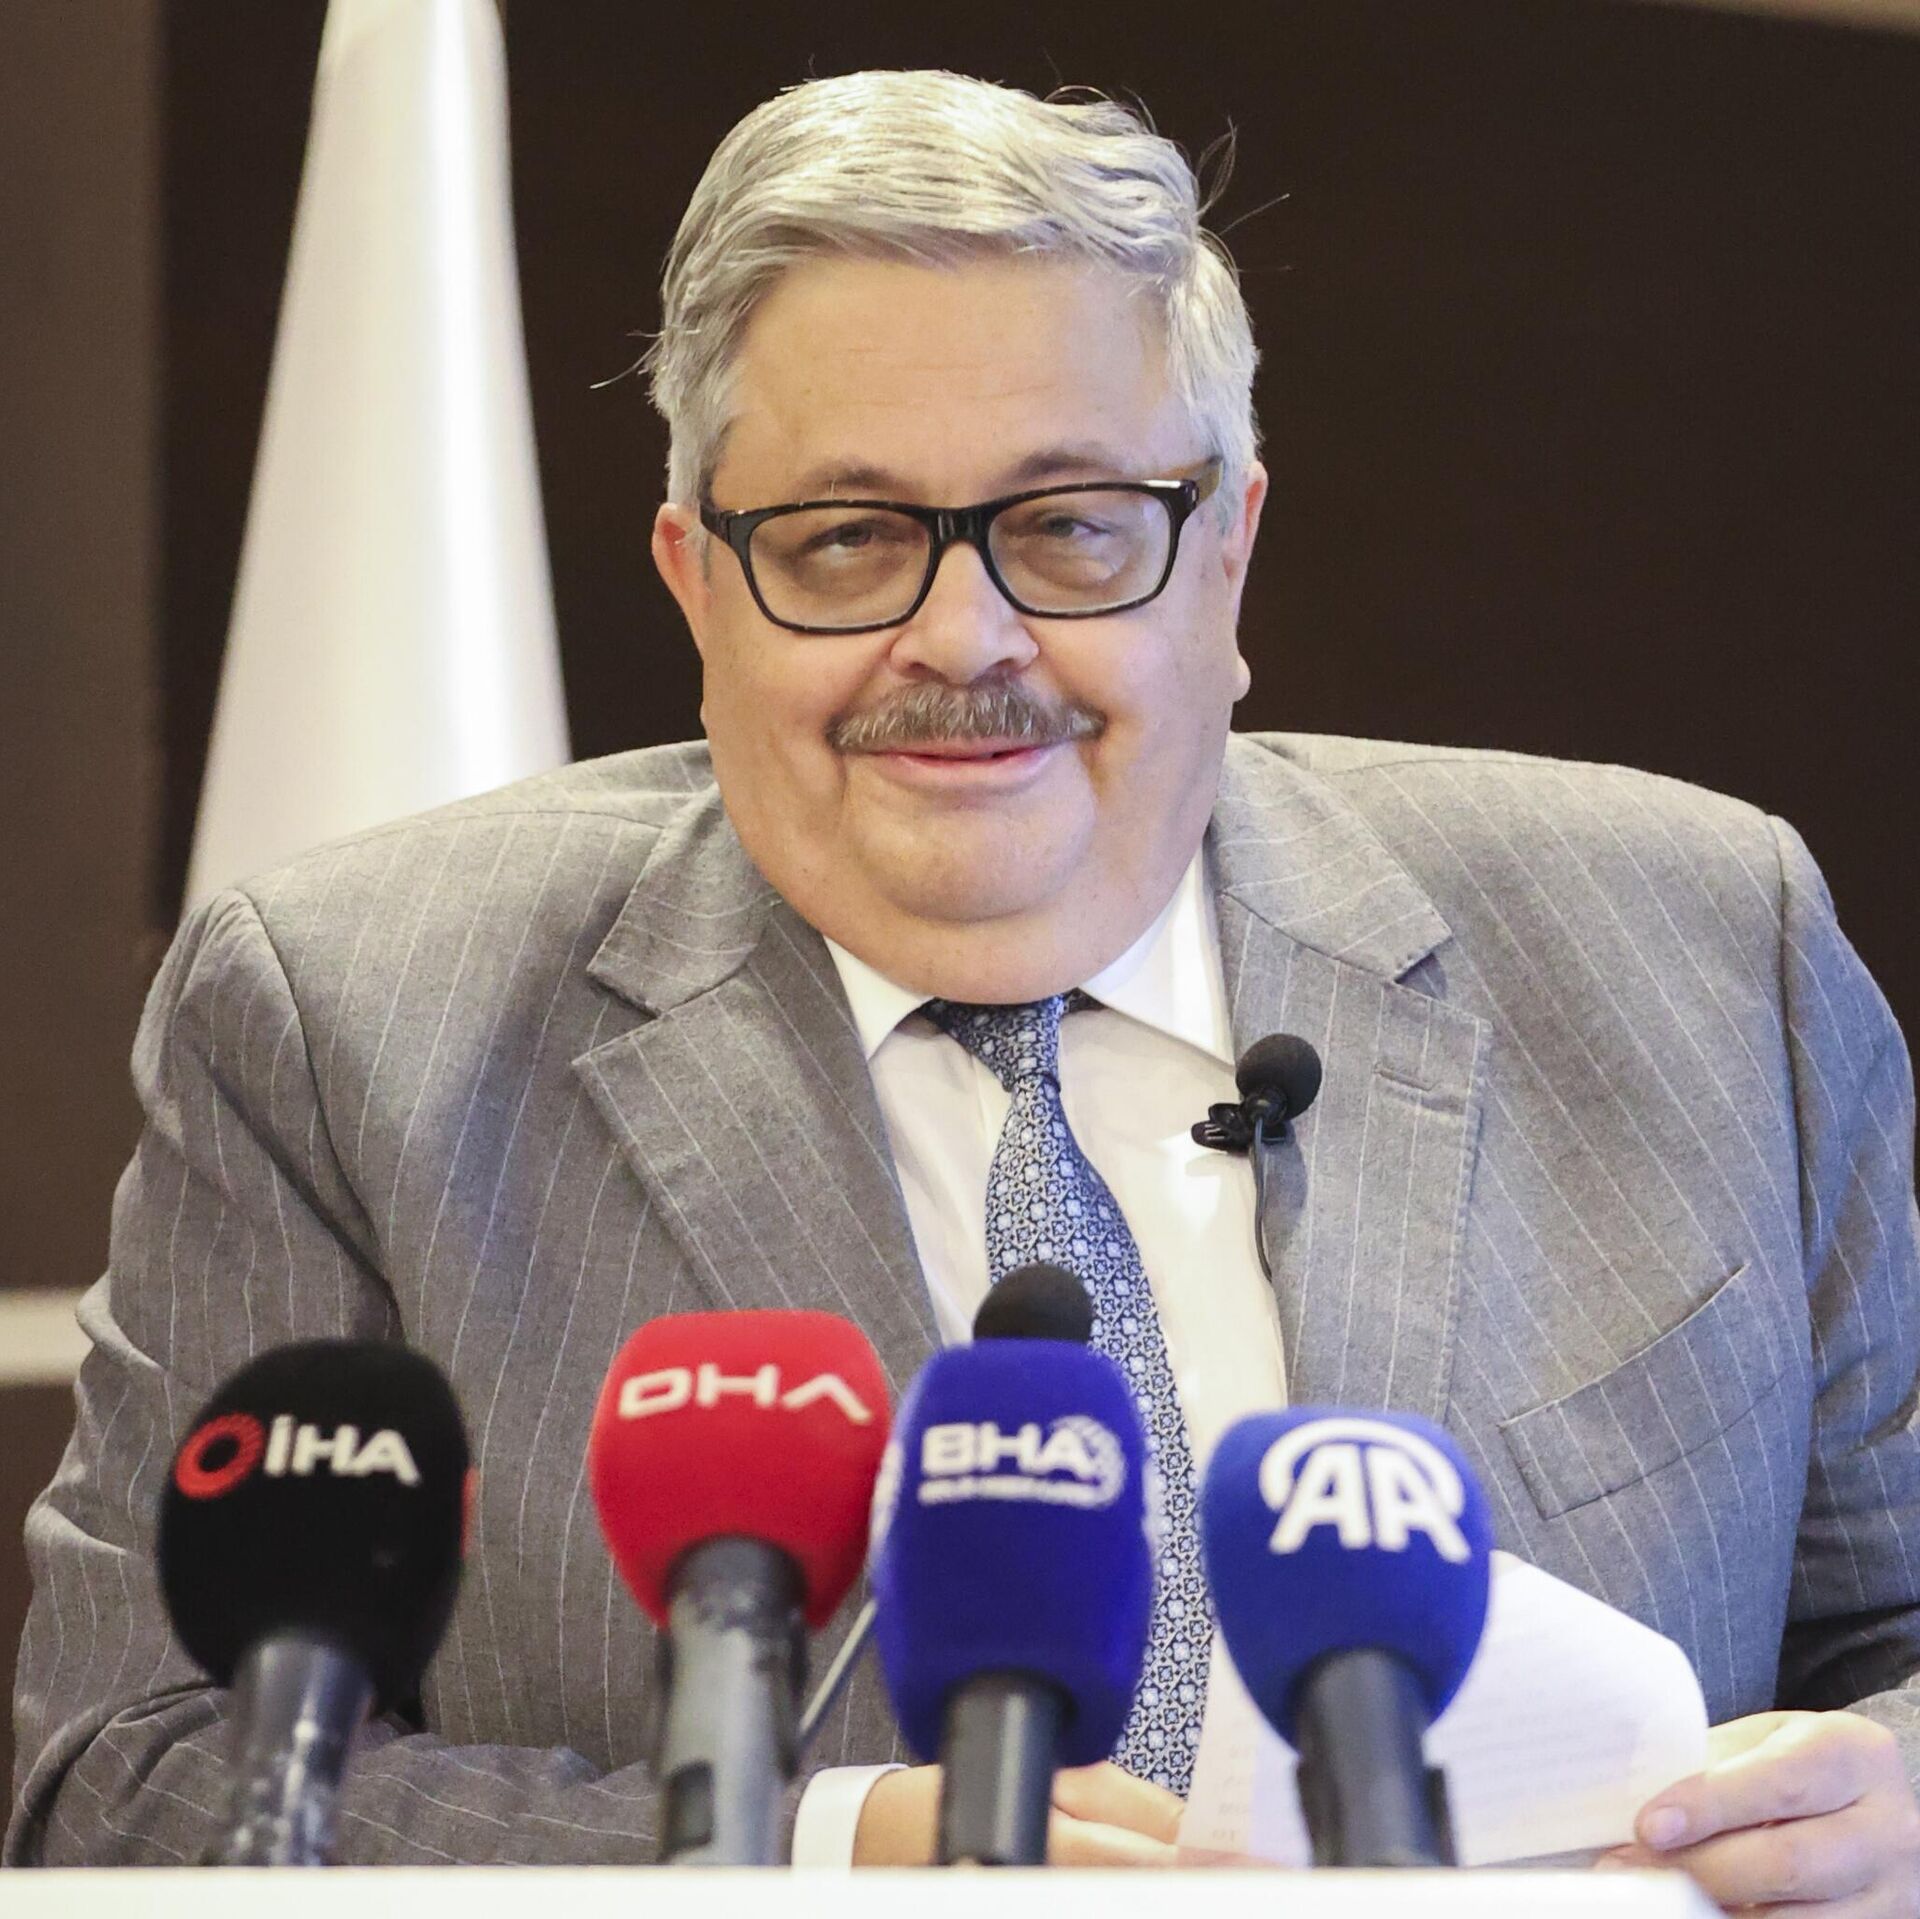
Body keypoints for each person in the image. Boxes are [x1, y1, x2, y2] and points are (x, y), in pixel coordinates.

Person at [10, 68, 1920, 1906]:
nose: (965, 636)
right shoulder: (350, 1024)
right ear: (694, 584)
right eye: (846, 540)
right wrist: (813, 1863)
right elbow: (125, 1778)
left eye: (1069, 524)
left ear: (1229, 552)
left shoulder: (1695, 947)